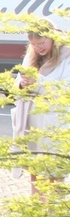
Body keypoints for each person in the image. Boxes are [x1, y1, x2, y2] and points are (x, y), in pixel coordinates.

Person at [11, 19, 70, 197]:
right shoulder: (31, 57)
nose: (39, 48)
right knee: (34, 171)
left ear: (52, 37)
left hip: (53, 124)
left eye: (42, 43)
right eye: (34, 44)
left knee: (53, 172)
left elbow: (65, 88)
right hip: (31, 124)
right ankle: (36, 216)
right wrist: (22, 84)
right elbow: (15, 90)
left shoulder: (66, 56)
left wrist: (39, 82)